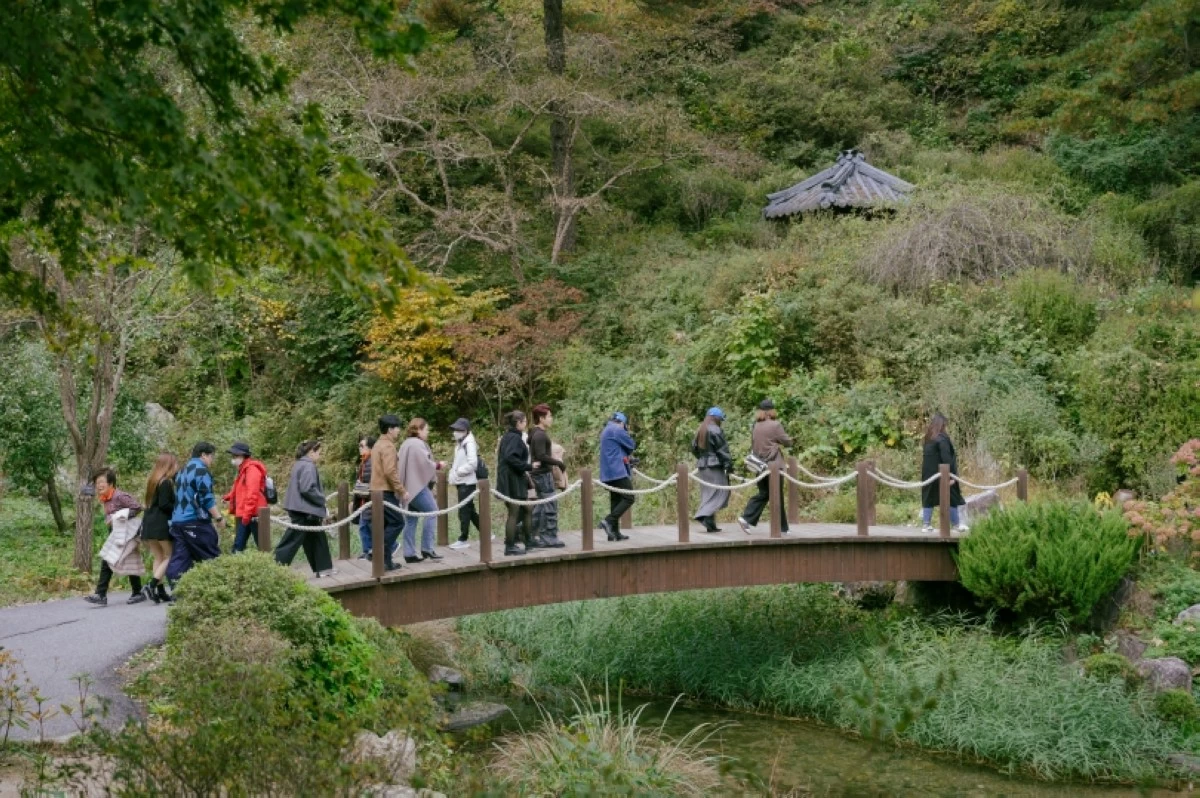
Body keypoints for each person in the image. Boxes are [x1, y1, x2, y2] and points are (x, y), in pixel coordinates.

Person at [84, 468, 146, 606]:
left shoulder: (119, 496)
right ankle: (138, 592)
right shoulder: (105, 498)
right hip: (116, 532)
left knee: (107, 559)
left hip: (127, 532)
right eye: (97, 482)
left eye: (101, 482)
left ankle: (101, 594)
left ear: (111, 483)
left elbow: (137, 508)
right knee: (130, 560)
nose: (98, 485)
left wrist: (120, 516)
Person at [167, 441, 224, 583]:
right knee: (211, 554)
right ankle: (218, 587)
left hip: (177, 521)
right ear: (203, 455)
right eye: (211, 456)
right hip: (195, 520)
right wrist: (219, 518)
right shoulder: (201, 471)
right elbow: (206, 498)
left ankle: (176, 590)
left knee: (181, 558)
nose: (212, 460)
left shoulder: (182, 471)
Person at [276, 440, 336, 576]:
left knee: (316, 538)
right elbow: (307, 488)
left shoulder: (299, 464)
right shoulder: (308, 466)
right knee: (292, 540)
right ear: (311, 452)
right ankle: (275, 566)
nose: (319, 456)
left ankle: (324, 568)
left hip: (301, 508)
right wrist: (321, 499)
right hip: (304, 509)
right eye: (318, 453)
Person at [738, 400, 791, 534]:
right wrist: (789, 440)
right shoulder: (775, 425)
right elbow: (787, 442)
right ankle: (746, 518)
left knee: (768, 494)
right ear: (772, 411)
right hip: (774, 466)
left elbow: (754, 444)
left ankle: (783, 528)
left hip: (759, 466)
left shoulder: (756, 425)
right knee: (774, 495)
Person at [397, 418, 444, 563]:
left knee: (411, 519)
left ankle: (409, 552)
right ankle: (427, 548)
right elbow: (425, 464)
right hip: (417, 487)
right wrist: (438, 465)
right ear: (418, 429)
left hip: (407, 487)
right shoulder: (417, 445)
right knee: (433, 512)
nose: (428, 432)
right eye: (426, 429)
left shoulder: (405, 443)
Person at [369, 415, 408, 572]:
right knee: (398, 522)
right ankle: (380, 555)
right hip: (384, 491)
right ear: (390, 429)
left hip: (376, 490)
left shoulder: (377, 444)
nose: (399, 431)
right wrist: (402, 490)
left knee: (384, 525)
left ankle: (384, 561)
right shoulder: (388, 447)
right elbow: (390, 471)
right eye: (397, 427)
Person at [140, 452, 178, 604]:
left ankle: (160, 591)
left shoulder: (153, 480)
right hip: (161, 524)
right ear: (169, 465)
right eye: (175, 464)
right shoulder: (166, 482)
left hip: (149, 522)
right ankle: (152, 585)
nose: (177, 467)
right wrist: (177, 508)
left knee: (158, 557)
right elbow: (164, 504)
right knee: (170, 556)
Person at [921, 413, 968, 533]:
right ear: (942, 425)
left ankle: (926, 524)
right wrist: (951, 476)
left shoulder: (928, 439)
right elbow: (947, 458)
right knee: (951, 496)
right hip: (942, 473)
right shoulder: (942, 440)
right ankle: (956, 524)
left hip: (928, 474)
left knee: (928, 496)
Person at [529, 404, 566, 548]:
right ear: (541, 418)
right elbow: (541, 456)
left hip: (541, 474)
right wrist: (558, 463)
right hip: (542, 474)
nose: (551, 419)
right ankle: (548, 536)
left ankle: (528, 533)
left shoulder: (537, 433)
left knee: (540, 506)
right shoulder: (539, 435)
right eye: (549, 416)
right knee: (550, 505)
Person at [497, 410, 533, 556]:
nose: (526, 424)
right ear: (518, 423)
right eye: (524, 421)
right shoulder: (514, 438)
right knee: (514, 511)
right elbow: (511, 457)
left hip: (513, 477)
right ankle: (510, 545)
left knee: (526, 509)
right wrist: (528, 467)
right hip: (512, 479)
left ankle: (528, 541)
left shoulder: (509, 436)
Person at [692, 407, 733, 533]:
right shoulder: (715, 430)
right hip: (715, 466)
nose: (721, 421)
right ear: (716, 418)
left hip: (703, 466)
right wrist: (728, 465)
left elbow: (693, 448)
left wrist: (702, 458)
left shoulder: (701, 429)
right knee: (721, 492)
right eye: (721, 419)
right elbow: (722, 450)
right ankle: (702, 515)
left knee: (709, 494)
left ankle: (710, 524)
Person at [223, 442, 269, 553]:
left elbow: (252, 494)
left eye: (235, 456)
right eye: (233, 456)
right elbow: (240, 489)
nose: (233, 459)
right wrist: (228, 497)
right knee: (239, 545)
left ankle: (270, 567)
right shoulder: (243, 469)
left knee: (262, 546)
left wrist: (246, 515)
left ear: (243, 456)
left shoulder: (252, 469)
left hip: (253, 514)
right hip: (246, 512)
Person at [598, 412, 636, 541]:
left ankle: (614, 533)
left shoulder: (607, 430)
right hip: (617, 471)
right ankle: (609, 521)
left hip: (607, 472)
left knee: (616, 499)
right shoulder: (617, 429)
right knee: (629, 497)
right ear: (622, 423)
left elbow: (616, 450)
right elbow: (631, 445)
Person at [448, 418, 481, 551]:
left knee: (464, 511)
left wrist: (458, 472)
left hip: (467, 482)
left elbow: (473, 463)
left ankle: (463, 538)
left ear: (466, 431)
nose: (455, 432)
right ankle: (486, 532)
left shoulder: (469, 444)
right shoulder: (461, 443)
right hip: (463, 481)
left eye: (458, 430)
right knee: (470, 510)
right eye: (455, 429)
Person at [354, 435, 376, 559]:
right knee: (364, 525)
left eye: (362, 446)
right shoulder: (364, 460)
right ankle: (367, 549)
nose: (360, 448)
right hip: (364, 499)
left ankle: (389, 546)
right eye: (359, 446)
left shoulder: (371, 461)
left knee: (369, 525)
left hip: (370, 499)